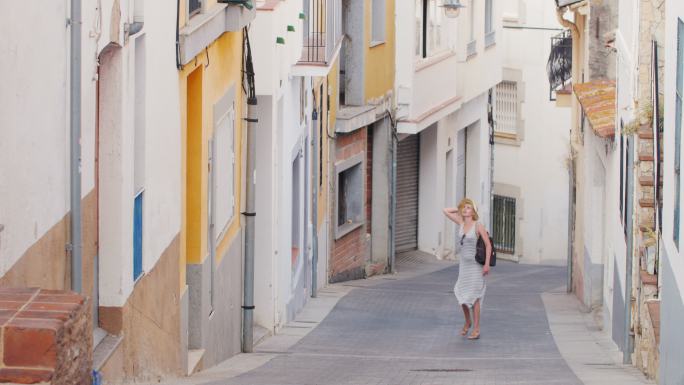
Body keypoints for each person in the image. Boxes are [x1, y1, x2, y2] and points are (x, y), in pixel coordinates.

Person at [442, 198, 492, 340]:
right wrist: (459, 208)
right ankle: (467, 321)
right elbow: (445, 211)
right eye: (464, 208)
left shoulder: (478, 226)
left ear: (473, 211)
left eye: (468, 208)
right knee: (461, 295)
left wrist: (487, 264)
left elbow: (488, 245)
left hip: (476, 266)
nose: (465, 210)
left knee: (475, 297)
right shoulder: (461, 222)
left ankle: (476, 328)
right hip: (463, 266)